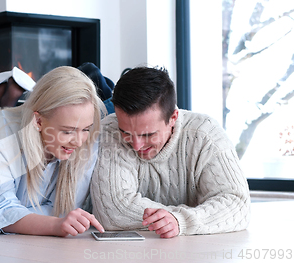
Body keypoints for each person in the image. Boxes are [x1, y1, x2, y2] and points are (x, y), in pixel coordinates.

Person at [0, 66, 106, 237]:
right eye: (67, 131)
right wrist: (53, 225)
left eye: (85, 129)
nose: (79, 141)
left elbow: (67, 209)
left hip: (14, 191)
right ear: (38, 121)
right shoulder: (1, 128)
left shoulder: (89, 141)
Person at [90, 66, 251, 238]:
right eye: (126, 133)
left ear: (173, 117)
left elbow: (237, 204)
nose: (136, 145)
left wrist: (180, 220)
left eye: (148, 134)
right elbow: (113, 211)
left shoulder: (206, 135)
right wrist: (201, 216)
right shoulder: (110, 130)